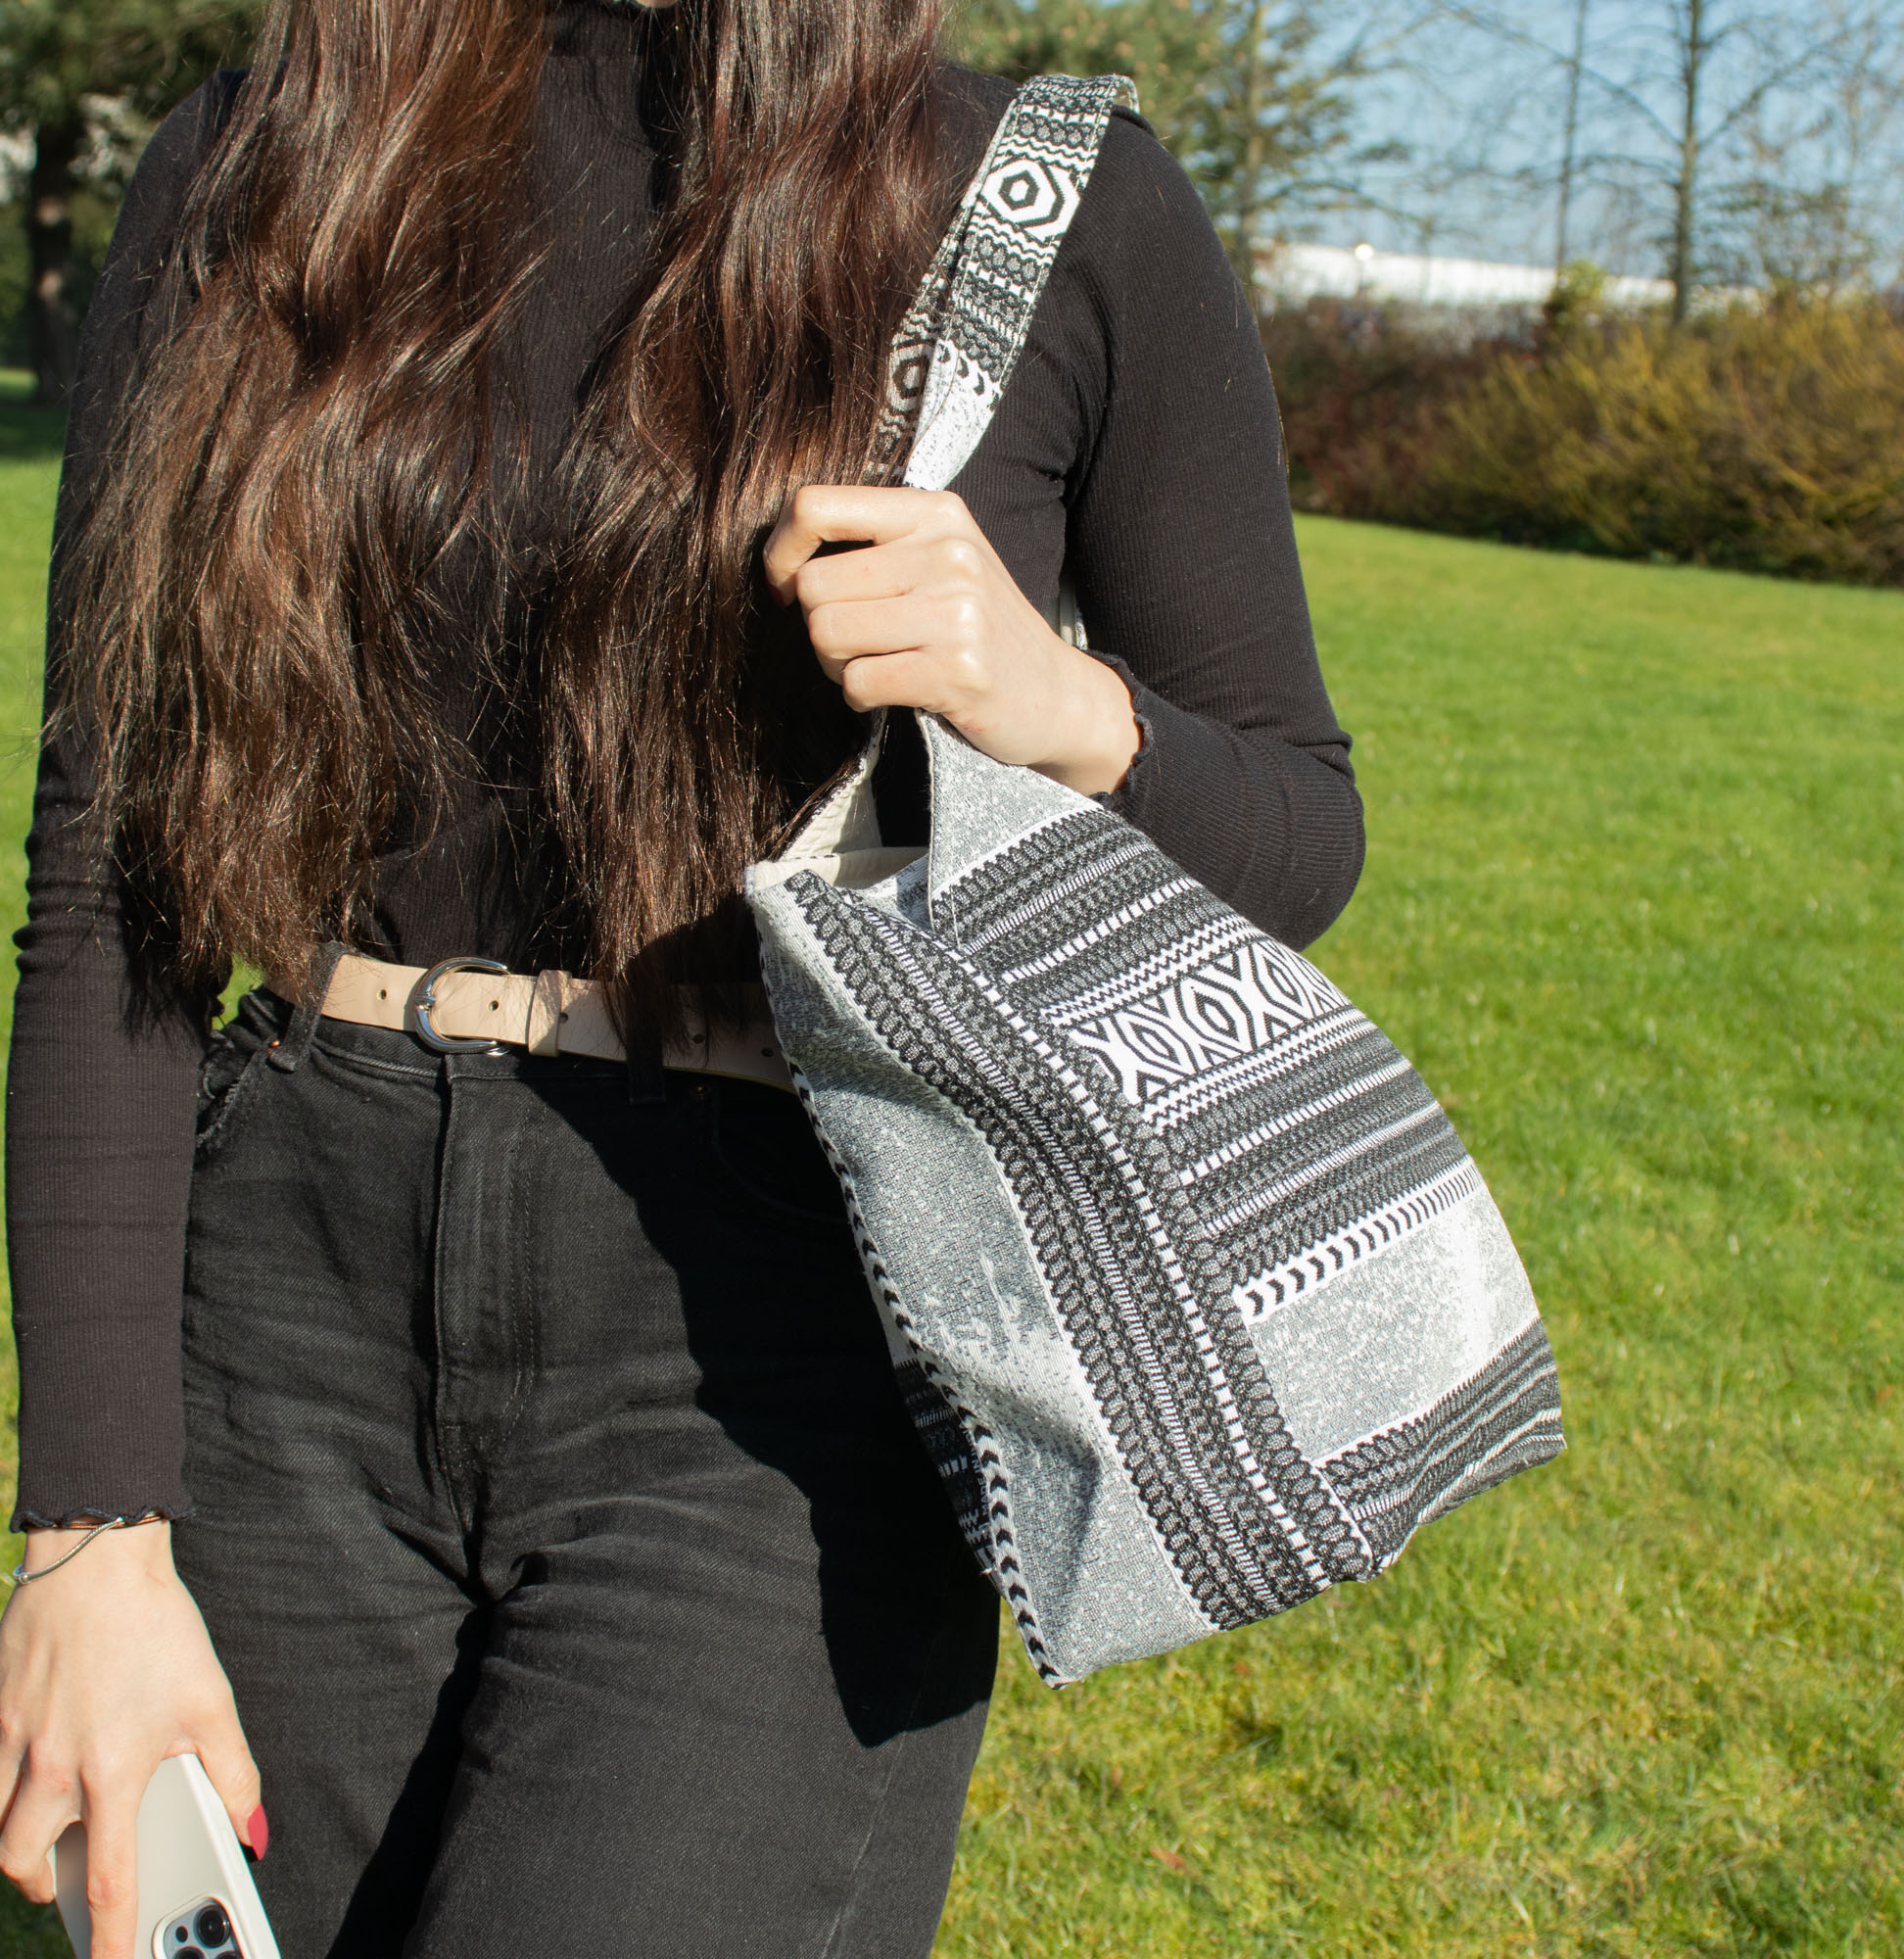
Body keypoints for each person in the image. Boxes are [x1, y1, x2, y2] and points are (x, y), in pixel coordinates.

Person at [0, 0, 1364, 1953]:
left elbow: (1298, 835)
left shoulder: (1051, 204)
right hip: (277, 1317)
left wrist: (1057, 702)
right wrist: (91, 1537)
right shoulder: (259, 155)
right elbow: (110, 881)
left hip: (770, 1367)